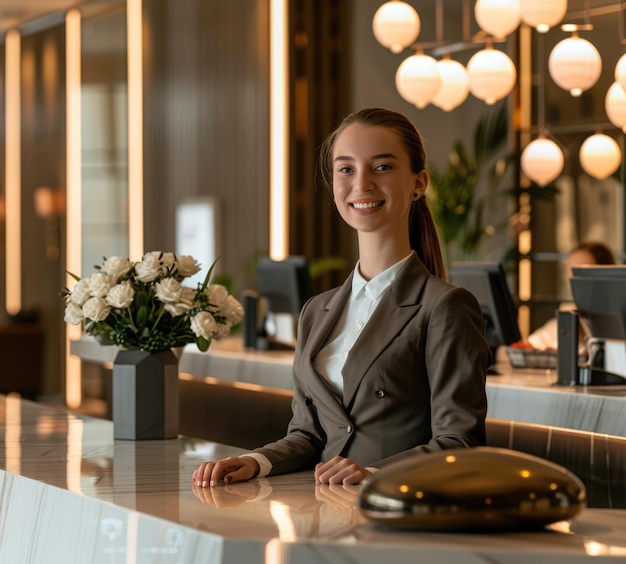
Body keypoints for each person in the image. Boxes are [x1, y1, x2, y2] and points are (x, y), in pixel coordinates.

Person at [192, 107, 491, 489]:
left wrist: (375, 474)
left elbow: (459, 443)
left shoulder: (444, 306)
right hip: (323, 513)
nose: (361, 184)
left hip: (397, 516)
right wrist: (256, 461)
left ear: (419, 183)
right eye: (346, 169)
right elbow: (309, 435)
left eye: (382, 167)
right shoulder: (317, 310)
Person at [527, 241, 616, 351]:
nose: (571, 277)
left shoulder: (616, 325)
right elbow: (519, 350)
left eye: (580, 270)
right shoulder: (564, 317)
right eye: (569, 269)